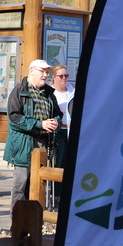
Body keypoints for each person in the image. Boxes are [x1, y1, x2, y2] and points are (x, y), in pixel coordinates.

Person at [3, 59, 62, 212]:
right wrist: (39, 124)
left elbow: (58, 114)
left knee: (39, 187)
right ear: (31, 72)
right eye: (42, 71)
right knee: (21, 187)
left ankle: (34, 224)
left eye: (47, 72)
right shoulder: (19, 91)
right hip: (23, 145)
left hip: (43, 144)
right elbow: (14, 118)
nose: (45, 75)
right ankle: (15, 226)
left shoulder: (49, 93)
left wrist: (55, 122)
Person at [50, 65, 74, 196]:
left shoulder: (71, 88)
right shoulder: (52, 93)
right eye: (61, 76)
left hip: (71, 130)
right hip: (59, 131)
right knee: (59, 162)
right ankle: (56, 193)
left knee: (68, 162)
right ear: (54, 78)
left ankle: (66, 192)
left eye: (66, 75)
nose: (64, 78)